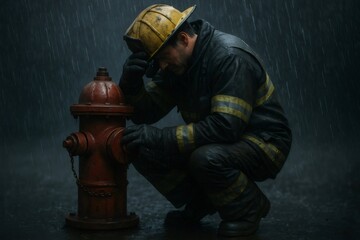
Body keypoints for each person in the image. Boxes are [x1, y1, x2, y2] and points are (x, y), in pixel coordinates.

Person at [119, 4, 292, 237]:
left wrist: (161, 137)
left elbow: (225, 128)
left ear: (183, 38)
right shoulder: (179, 65)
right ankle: (203, 201)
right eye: (156, 61)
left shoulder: (228, 57)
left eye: (162, 58)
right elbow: (144, 114)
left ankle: (248, 207)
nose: (161, 66)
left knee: (205, 158)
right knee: (140, 146)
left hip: (265, 142)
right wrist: (131, 84)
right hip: (222, 139)